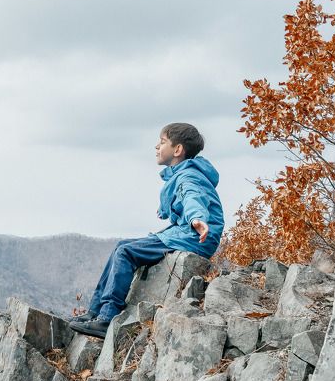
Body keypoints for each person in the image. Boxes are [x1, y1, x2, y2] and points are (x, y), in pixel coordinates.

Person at [69, 122, 224, 338]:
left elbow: (192, 197)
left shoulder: (188, 177)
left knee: (126, 252)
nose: (156, 147)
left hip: (192, 236)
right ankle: (95, 311)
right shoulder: (184, 173)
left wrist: (197, 219)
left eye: (162, 142)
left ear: (177, 150)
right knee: (122, 246)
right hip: (185, 233)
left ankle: (107, 318)